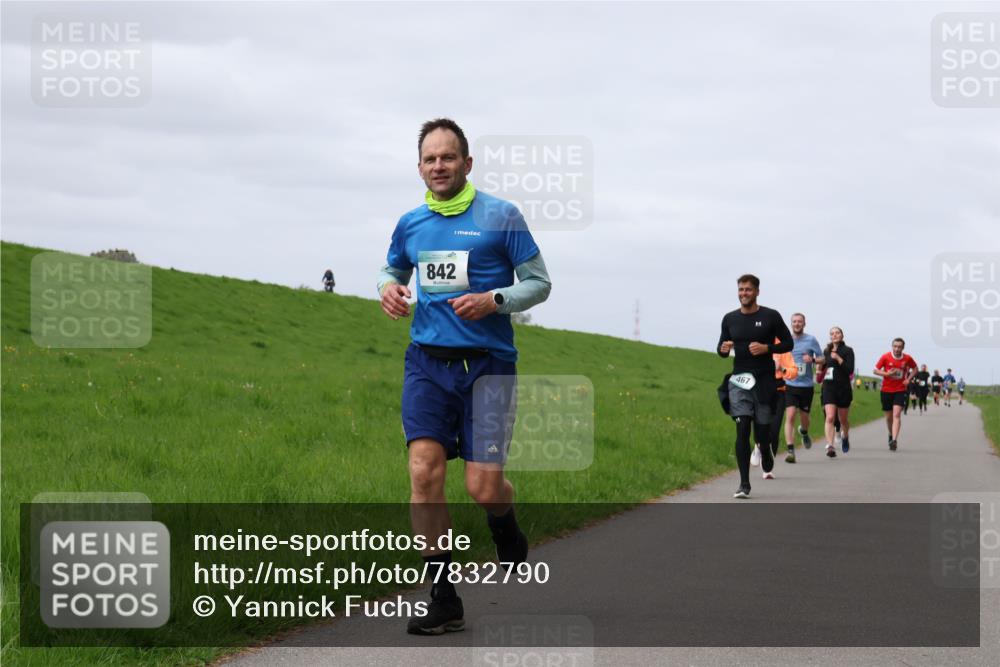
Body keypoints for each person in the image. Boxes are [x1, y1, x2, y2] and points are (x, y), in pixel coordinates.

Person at [377, 118, 552, 635]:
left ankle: (506, 525)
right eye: (430, 159)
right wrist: (386, 287)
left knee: (483, 487)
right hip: (427, 364)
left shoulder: (502, 216)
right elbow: (392, 269)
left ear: (467, 163)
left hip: (489, 366)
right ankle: (442, 595)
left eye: (448, 157)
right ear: (419, 168)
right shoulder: (411, 223)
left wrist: (494, 300)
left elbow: (539, 283)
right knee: (424, 473)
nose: (439, 166)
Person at [717, 274, 793, 499]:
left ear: (757, 291)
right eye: (741, 290)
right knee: (742, 428)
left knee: (762, 431)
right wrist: (723, 349)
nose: (743, 294)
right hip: (739, 380)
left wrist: (767, 348)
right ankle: (743, 484)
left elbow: (788, 343)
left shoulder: (770, 316)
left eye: (748, 290)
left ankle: (766, 450)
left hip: (764, 381)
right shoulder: (729, 319)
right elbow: (721, 349)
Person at [752, 339, 798, 477]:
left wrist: (781, 368)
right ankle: (759, 446)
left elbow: (794, 372)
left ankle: (767, 468)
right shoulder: (756, 343)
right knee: (760, 425)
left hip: (779, 391)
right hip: (759, 390)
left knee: (774, 429)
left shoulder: (782, 347)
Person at [782, 313, 824, 463]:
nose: (797, 324)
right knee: (791, 415)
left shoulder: (811, 340)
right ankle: (790, 450)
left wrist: (812, 359)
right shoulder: (786, 340)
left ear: (804, 324)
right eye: (794, 321)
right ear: (791, 323)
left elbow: (822, 358)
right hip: (790, 384)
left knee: (804, 418)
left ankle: (804, 432)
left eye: (800, 321)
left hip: (806, 386)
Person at [873, 338, 918, 452]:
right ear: (892, 347)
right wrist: (887, 373)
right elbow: (875, 370)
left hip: (900, 389)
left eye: (899, 347)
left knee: (897, 414)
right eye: (895, 346)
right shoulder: (885, 357)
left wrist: (908, 379)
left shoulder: (907, 358)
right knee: (889, 417)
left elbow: (915, 369)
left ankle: (894, 440)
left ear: (903, 348)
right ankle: (890, 434)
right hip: (886, 390)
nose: (897, 349)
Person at [820, 327, 855, 457]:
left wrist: (838, 358)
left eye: (837, 333)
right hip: (829, 387)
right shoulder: (826, 351)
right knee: (830, 417)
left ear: (842, 335)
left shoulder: (848, 351)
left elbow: (849, 370)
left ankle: (845, 437)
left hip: (843, 388)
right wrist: (816, 363)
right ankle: (830, 446)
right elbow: (822, 367)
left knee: (843, 420)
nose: (834, 335)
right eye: (832, 333)